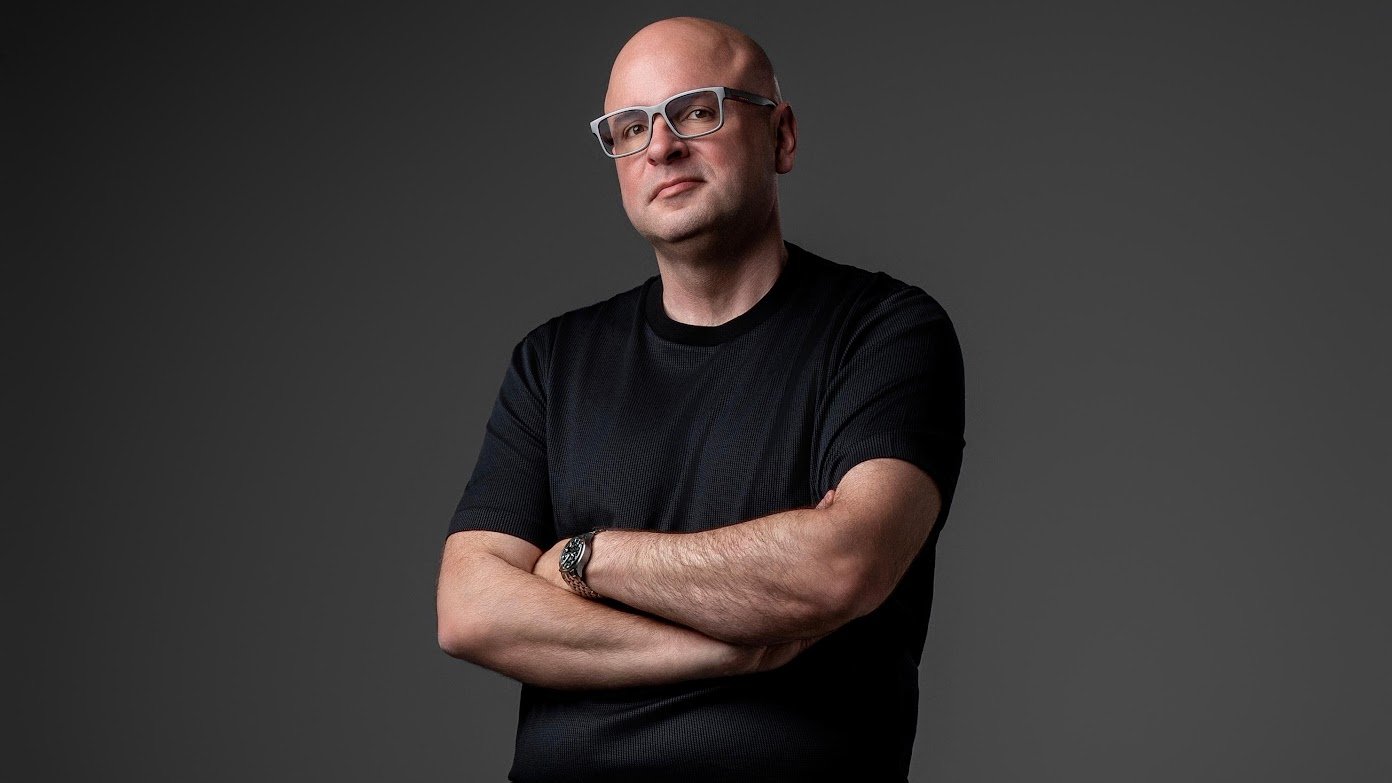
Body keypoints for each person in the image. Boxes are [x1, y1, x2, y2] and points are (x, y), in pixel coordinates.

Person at [436, 16, 965, 783]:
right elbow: (470, 609)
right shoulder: (553, 362)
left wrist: (586, 557)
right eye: (630, 128)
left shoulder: (885, 331)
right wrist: (725, 648)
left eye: (695, 111)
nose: (660, 147)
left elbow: (840, 566)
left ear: (781, 136)